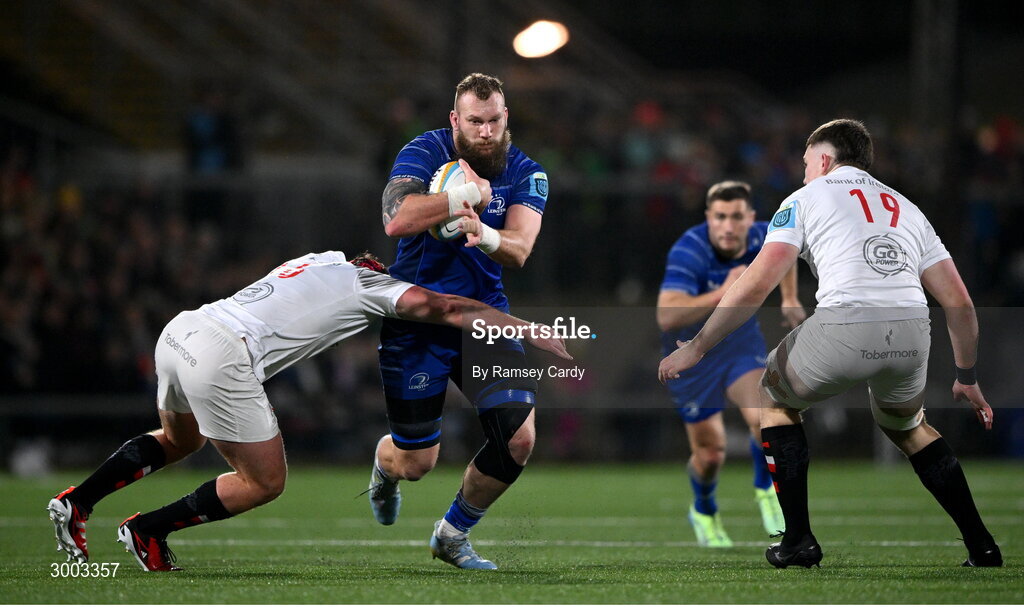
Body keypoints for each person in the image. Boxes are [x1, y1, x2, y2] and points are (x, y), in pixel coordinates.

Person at [47, 249, 570, 571]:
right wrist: (526, 328)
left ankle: (78, 502)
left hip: (182, 331)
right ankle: (147, 530)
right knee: (264, 481)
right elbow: (446, 307)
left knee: (180, 439)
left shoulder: (320, 258)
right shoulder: (374, 285)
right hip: (223, 354)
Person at [659, 119, 1002, 569]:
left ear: (824, 160)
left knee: (772, 398)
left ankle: (798, 540)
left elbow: (757, 282)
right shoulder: (907, 207)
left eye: (805, 163)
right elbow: (958, 302)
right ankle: (983, 546)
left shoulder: (805, 198)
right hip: (914, 331)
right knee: (908, 427)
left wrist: (699, 346)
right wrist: (966, 376)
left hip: (847, 322)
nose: (803, 173)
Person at [375, 73, 548, 569]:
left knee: (518, 438)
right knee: (416, 463)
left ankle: (452, 533)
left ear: (506, 117)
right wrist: (458, 199)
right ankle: (386, 466)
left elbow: (520, 249)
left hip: (483, 320)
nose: (486, 131)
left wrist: (484, 233)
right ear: (455, 120)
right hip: (418, 319)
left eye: (494, 120)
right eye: (475, 121)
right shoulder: (424, 152)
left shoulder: (527, 172)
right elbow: (397, 218)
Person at [656, 180, 805, 547]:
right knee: (710, 455)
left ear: (750, 218)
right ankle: (704, 509)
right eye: (720, 217)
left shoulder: (762, 235)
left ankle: (766, 491)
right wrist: (724, 292)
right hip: (690, 351)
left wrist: (788, 297)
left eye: (737, 217)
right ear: (709, 218)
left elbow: (785, 254)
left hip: (739, 342)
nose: (728, 226)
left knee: (762, 416)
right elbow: (666, 316)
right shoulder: (689, 250)